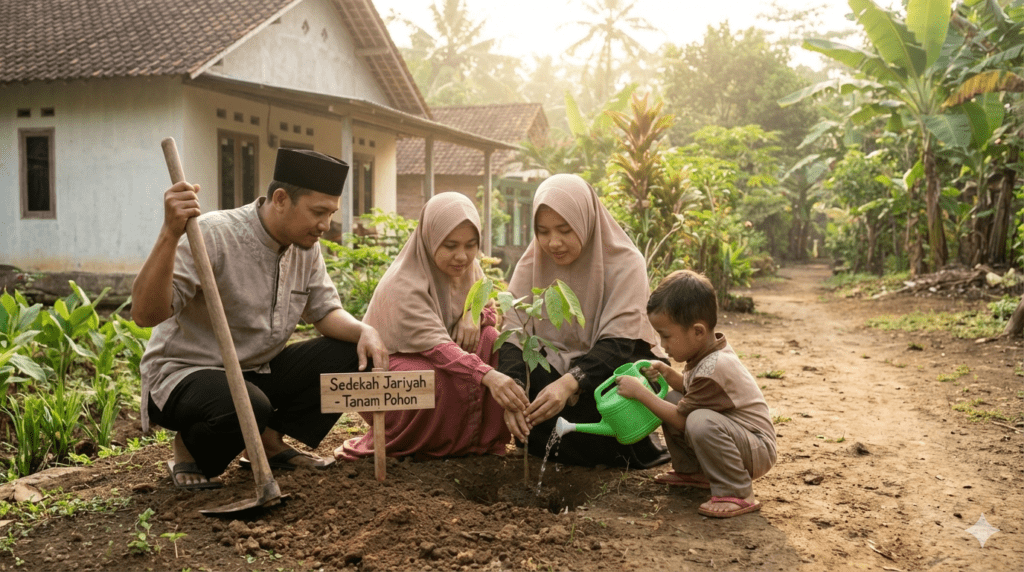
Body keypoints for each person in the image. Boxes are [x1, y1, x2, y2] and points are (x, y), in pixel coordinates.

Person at [133, 148, 389, 490]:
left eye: (331, 213)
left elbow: (325, 311)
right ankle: (190, 447)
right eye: (318, 212)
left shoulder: (305, 248)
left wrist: (364, 330)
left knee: (350, 353)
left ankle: (267, 442)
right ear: (281, 199)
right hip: (185, 373)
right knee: (247, 405)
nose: (326, 226)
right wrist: (169, 233)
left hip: (256, 371)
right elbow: (145, 314)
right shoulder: (213, 233)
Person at [335, 192, 529, 460]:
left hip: (445, 352)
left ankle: (478, 442)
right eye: (450, 246)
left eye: (470, 245)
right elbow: (437, 347)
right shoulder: (404, 283)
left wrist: (472, 316)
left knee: (491, 340)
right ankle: (428, 445)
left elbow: (487, 307)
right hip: (395, 364)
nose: (462, 256)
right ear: (430, 239)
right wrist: (487, 375)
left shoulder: (470, 270)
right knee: (430, 379)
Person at [499, 173, 670, 468]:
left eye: (565, 230)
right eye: (543, 231)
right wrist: (513, 391)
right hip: (552, 369)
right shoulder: (532, 262)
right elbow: (514, 332)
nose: (553, 243)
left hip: (604, 366)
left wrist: (570, 383)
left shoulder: (626, 263)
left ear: (586, 221)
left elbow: (620, 341)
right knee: (526, 373)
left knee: (619, 385)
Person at [615, 269, 777, 518]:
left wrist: (640, 393)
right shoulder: (705, 355)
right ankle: (694, 473)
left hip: (757, 449)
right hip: (739, 440)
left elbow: (683, 418)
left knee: (698, 420)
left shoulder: (715, 367)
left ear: (698, 332)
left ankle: (738, 492)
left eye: (666, 336)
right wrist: (669, 375)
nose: (663, 345)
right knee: (672, 399)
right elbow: (693, 394)